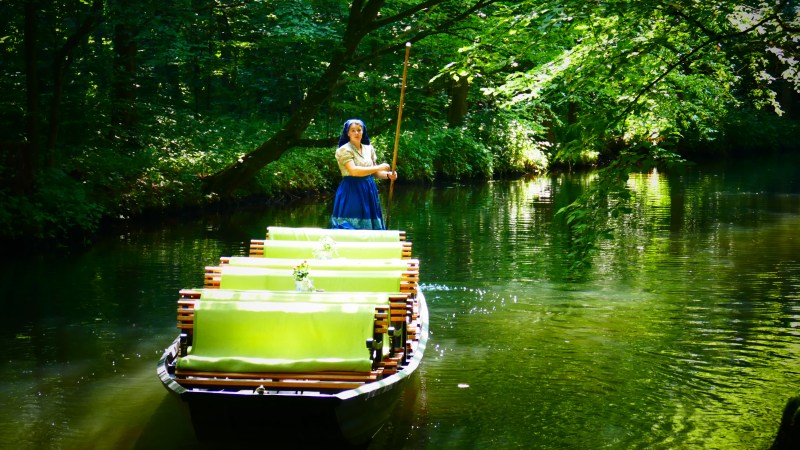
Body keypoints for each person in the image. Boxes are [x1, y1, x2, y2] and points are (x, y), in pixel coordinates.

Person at [329, 119, 397, 229]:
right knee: (351, 223)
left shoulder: (369, 148)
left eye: (359, 130)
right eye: (353, 130)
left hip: (369, 189)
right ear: (348, 133)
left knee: (370, 225)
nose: (356, 133)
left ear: (363, 131)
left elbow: (375, 172)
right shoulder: (344, 150)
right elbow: (354, 171)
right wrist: (379, 167)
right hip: (351, 189)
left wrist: (388, 175)